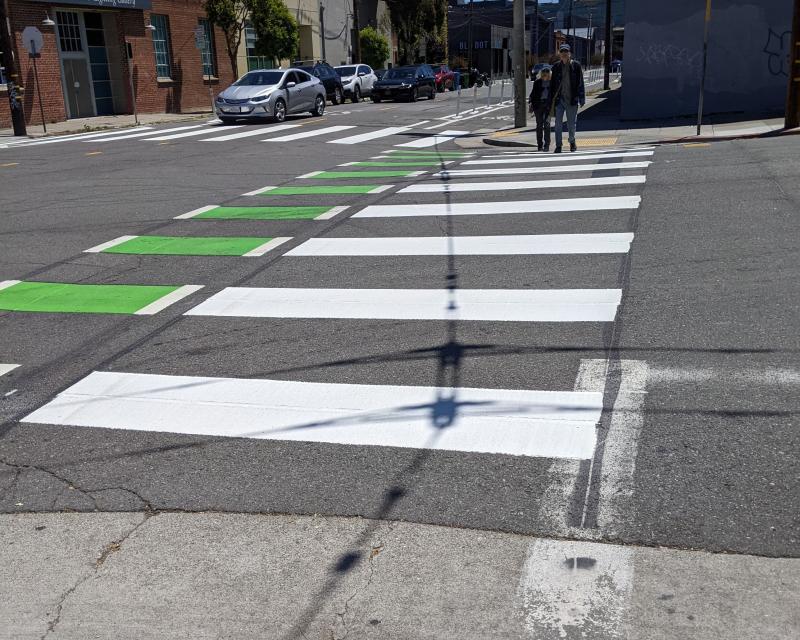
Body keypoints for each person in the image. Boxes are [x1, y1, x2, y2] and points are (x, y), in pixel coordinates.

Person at [550, 43, 586, 153]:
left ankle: (572, 142)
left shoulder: (576, 65)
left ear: (569, 53)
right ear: (559, 54)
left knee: (571, 124)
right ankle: (559, 145)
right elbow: (552, 85)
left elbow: (580, 82)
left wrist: (582, 98)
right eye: (562, 52)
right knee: (558, 124)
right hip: (559, 100)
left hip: (572, 99)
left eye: (566, 52)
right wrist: (550, 100)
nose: (564, 54)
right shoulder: (556, 67)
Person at [528, 67, 552, 151]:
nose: (545, 74)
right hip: (538, 106)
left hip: (548, 106)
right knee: (539, 125)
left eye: (547, 72)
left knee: (547, 125)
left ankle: (547, 144)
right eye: (543, 72)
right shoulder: (537, 82)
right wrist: (530, 101)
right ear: (541, 74)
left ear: (550, 74)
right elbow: (533, 93)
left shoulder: (552, 82)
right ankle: (540, 145)